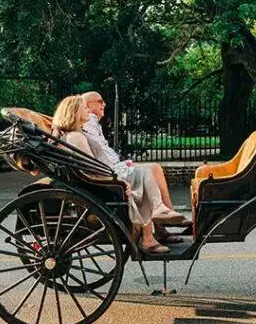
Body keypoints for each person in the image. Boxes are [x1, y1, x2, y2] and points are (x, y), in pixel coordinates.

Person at [51, 95, 179, 254]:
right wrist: (118, 181)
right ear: (75, 112)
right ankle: (148, 237)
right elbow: (92, 171)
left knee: (145, 173)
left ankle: (157, 224)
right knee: (144, 176)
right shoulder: (76, 137)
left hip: (105, 178)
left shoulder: (77, 134)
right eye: (84, 108)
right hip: (103, 184)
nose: (87, 111)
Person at [79, 91, 186, 245]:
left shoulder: (92, 123)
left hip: (114, 166)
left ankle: (166, 217)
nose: (104, 104)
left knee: (155, 167)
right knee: (148, 171)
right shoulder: (86, 122)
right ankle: (163, 218)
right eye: (100, 101)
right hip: (110, 172)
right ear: (87, 106)